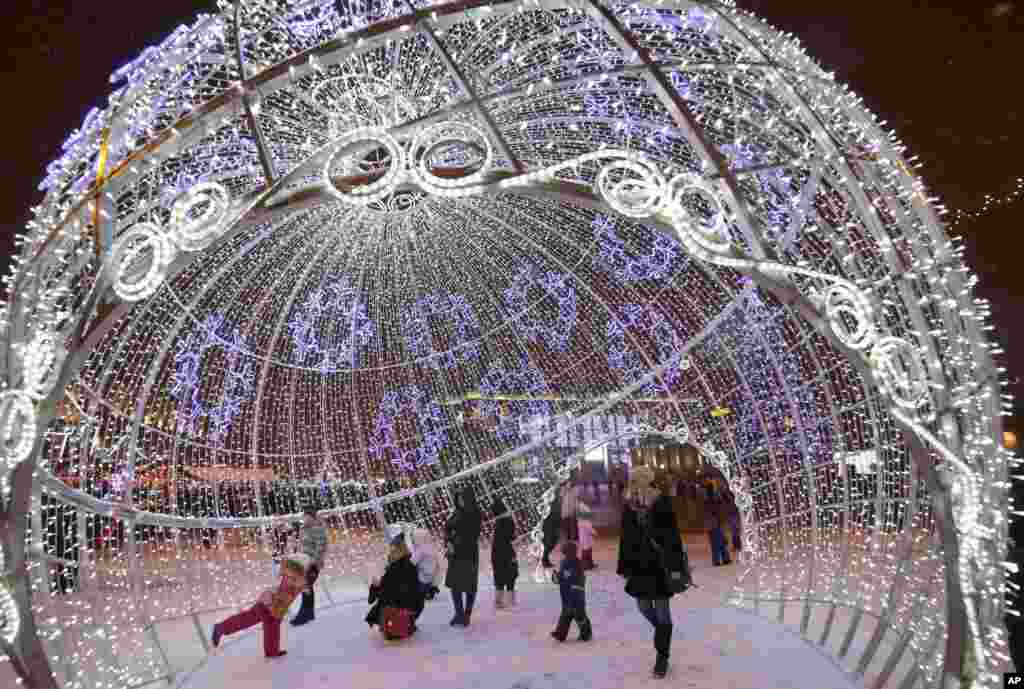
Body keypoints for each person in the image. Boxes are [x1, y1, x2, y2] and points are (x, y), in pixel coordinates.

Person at [617, 466, 689, 679]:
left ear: (645, 481)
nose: (634, 484)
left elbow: (673, 537)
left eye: (637, 480)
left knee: (662, 611)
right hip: (639, 567)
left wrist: (675, 567)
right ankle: (663, 633)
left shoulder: (662, 502)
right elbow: (625, 539)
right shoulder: (629, 506)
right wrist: (624, 566)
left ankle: (662, 656)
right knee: (643, 607)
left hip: (660, 565)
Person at [212, 555, 308, 658]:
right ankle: (271, 652)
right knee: (270, 627)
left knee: (248, 620)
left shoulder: (296, 580)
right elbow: (286, 587)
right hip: (270, 606)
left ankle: (221, 627)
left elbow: (295, 587)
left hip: (270, 605)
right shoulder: (293, 578)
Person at [366, 533, 423, 638]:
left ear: (398, 551)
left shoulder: (393, 569)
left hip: (395, 610)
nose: (390, 554)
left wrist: (375, 586)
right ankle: (406, 623)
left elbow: (383, 592)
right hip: (413, 607)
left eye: (392, 551)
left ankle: (394, 625)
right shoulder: (411, 566)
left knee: (383, 601)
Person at [444, 485, 482, 626]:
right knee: (456, 586)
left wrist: (454, 538)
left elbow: (471, 534)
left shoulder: (475, 513)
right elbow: (448, 527)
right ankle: (459, 614)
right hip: (456, 554)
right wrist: (449, 541)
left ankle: (466, 614)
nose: (460, 500)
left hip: (468, 554)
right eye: (458, 498)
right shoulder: (457, 512)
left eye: (462, 498)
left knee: (470, 586)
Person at [291, 508, 329, 626]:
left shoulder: (318, 529)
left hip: (312, 564)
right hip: (304, 562)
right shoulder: (305, 529)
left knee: (305, 586)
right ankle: (309, 613)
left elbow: (321, 547)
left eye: (306, 516)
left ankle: (304, 615)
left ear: (312, 517)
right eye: (304, 516)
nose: (304, 518)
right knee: (307, 587)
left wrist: (313, 562)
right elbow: (302, 545)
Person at [550, 540, 592, 642]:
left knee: (580, 615)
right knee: (565, 614)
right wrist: (556, 577)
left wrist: (576, 587)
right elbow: (561, 576)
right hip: (566, 594)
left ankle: (586, 633)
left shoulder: (578, 563)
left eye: (567, 553)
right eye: (565, 553)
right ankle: (560, 634)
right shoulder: (564, 563)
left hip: (576, 595)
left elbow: (579, 578)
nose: (565, 555)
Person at [491, 497, 519, 609]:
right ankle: (510, 600)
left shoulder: (498, 522)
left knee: (499, 576)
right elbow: (512, 537)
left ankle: (499, 601)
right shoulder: (508, 520)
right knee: (510, 575)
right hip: (507, 551)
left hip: (497, 552)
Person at [410, 527, 441, 623]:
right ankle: (413, 619)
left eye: (413, 538)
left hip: (419, 579)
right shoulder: (432, 547)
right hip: (429, 580)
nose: (412, 541)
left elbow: (411, 562)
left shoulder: (421, 549)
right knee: (420, 602)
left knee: (414, 602)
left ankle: (410, 621)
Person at [705, 486, 731, 566]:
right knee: (721, 542)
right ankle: (725, 559)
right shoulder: (715, 501)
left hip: (710, 525)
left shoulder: (706, 501)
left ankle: (717, 560)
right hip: (716, 524)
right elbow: (719, 512)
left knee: (715, 544)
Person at [541, 488, 562, 568]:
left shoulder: (557, 501)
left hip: (554, 525)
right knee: (549, 543)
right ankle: (544, 559)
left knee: (552, 542)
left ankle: (545, 558)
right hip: (549, 526)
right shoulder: (549, 503)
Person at [560, 474, 580, 543]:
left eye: (570, 482)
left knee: (574, 523)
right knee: (566, 524)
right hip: (565, 508)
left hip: (572, 508)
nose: (569, 483)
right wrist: (565, 489)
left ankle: (575, 537)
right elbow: (561, 495)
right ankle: (567, 537)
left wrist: (576, 508)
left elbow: (576, 498)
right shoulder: (563, 489)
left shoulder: (575, 489)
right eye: (567, 481)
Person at [577, 502, 596, 570]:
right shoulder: (584, 521)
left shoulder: (581, 521)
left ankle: (590, 564)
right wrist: (594, 533)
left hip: (586, 539)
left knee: (588, 552)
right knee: (586, 553)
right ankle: (584, 565)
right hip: (586, 540)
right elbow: (589, 529)